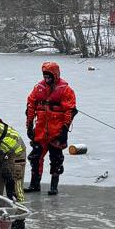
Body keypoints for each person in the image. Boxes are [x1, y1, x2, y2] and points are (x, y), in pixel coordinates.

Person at [25, 61, 77, 195]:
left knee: (56, 159)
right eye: (45, 76)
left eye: (49, 76)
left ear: (55, 75)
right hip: (40, 130)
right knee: (35, 157)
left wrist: (65, 130)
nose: (46, 79)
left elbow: (69, 111)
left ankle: (54, 186)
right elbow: (30, 105)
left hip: (57, 131)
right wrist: (29, 125)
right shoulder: (38, 88)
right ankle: (34, 184)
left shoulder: (65, 90)